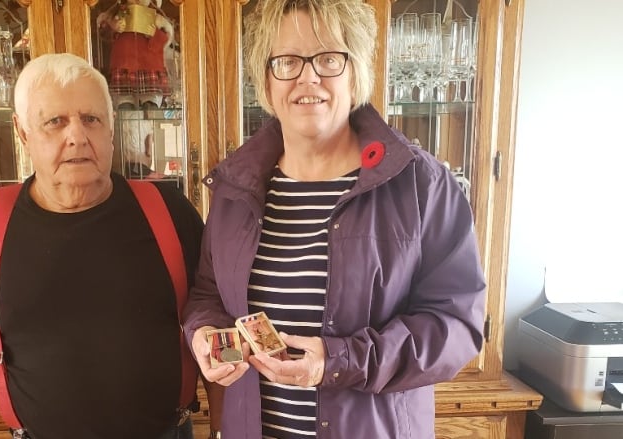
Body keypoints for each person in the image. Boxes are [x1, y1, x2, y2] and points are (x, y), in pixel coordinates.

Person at [182, 1, 487, 438]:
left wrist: (336, 361)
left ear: (356, 71)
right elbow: (207, 295)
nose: (308, 77)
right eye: (287, 61)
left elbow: (455, 327)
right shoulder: (235, 189)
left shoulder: (422, 184)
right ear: (265, 80)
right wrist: (204, 335)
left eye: (328, 58)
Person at [0, 53, 204, 439]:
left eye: (91, 118)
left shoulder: (169, 210)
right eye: (55, 121)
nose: (77, 135)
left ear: (110, 129)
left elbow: (214, 323)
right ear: (23, 133)